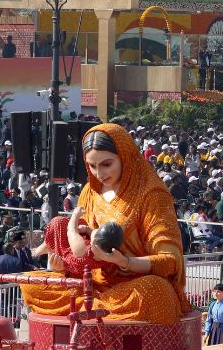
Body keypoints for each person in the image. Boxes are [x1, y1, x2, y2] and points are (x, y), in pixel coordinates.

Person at [23, 124, 190, 325]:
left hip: (133, 284)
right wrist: (62, 267)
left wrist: (124, 261)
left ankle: (91, 307)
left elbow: (170, 261)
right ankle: (93, 306)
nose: (99, 174)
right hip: (91, 282)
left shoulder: (152, 195)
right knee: (31, 283)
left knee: (155, 291)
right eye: (92, 166)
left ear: (125, 156)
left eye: (106, 164)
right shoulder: (89, 191)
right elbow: (80, 249)